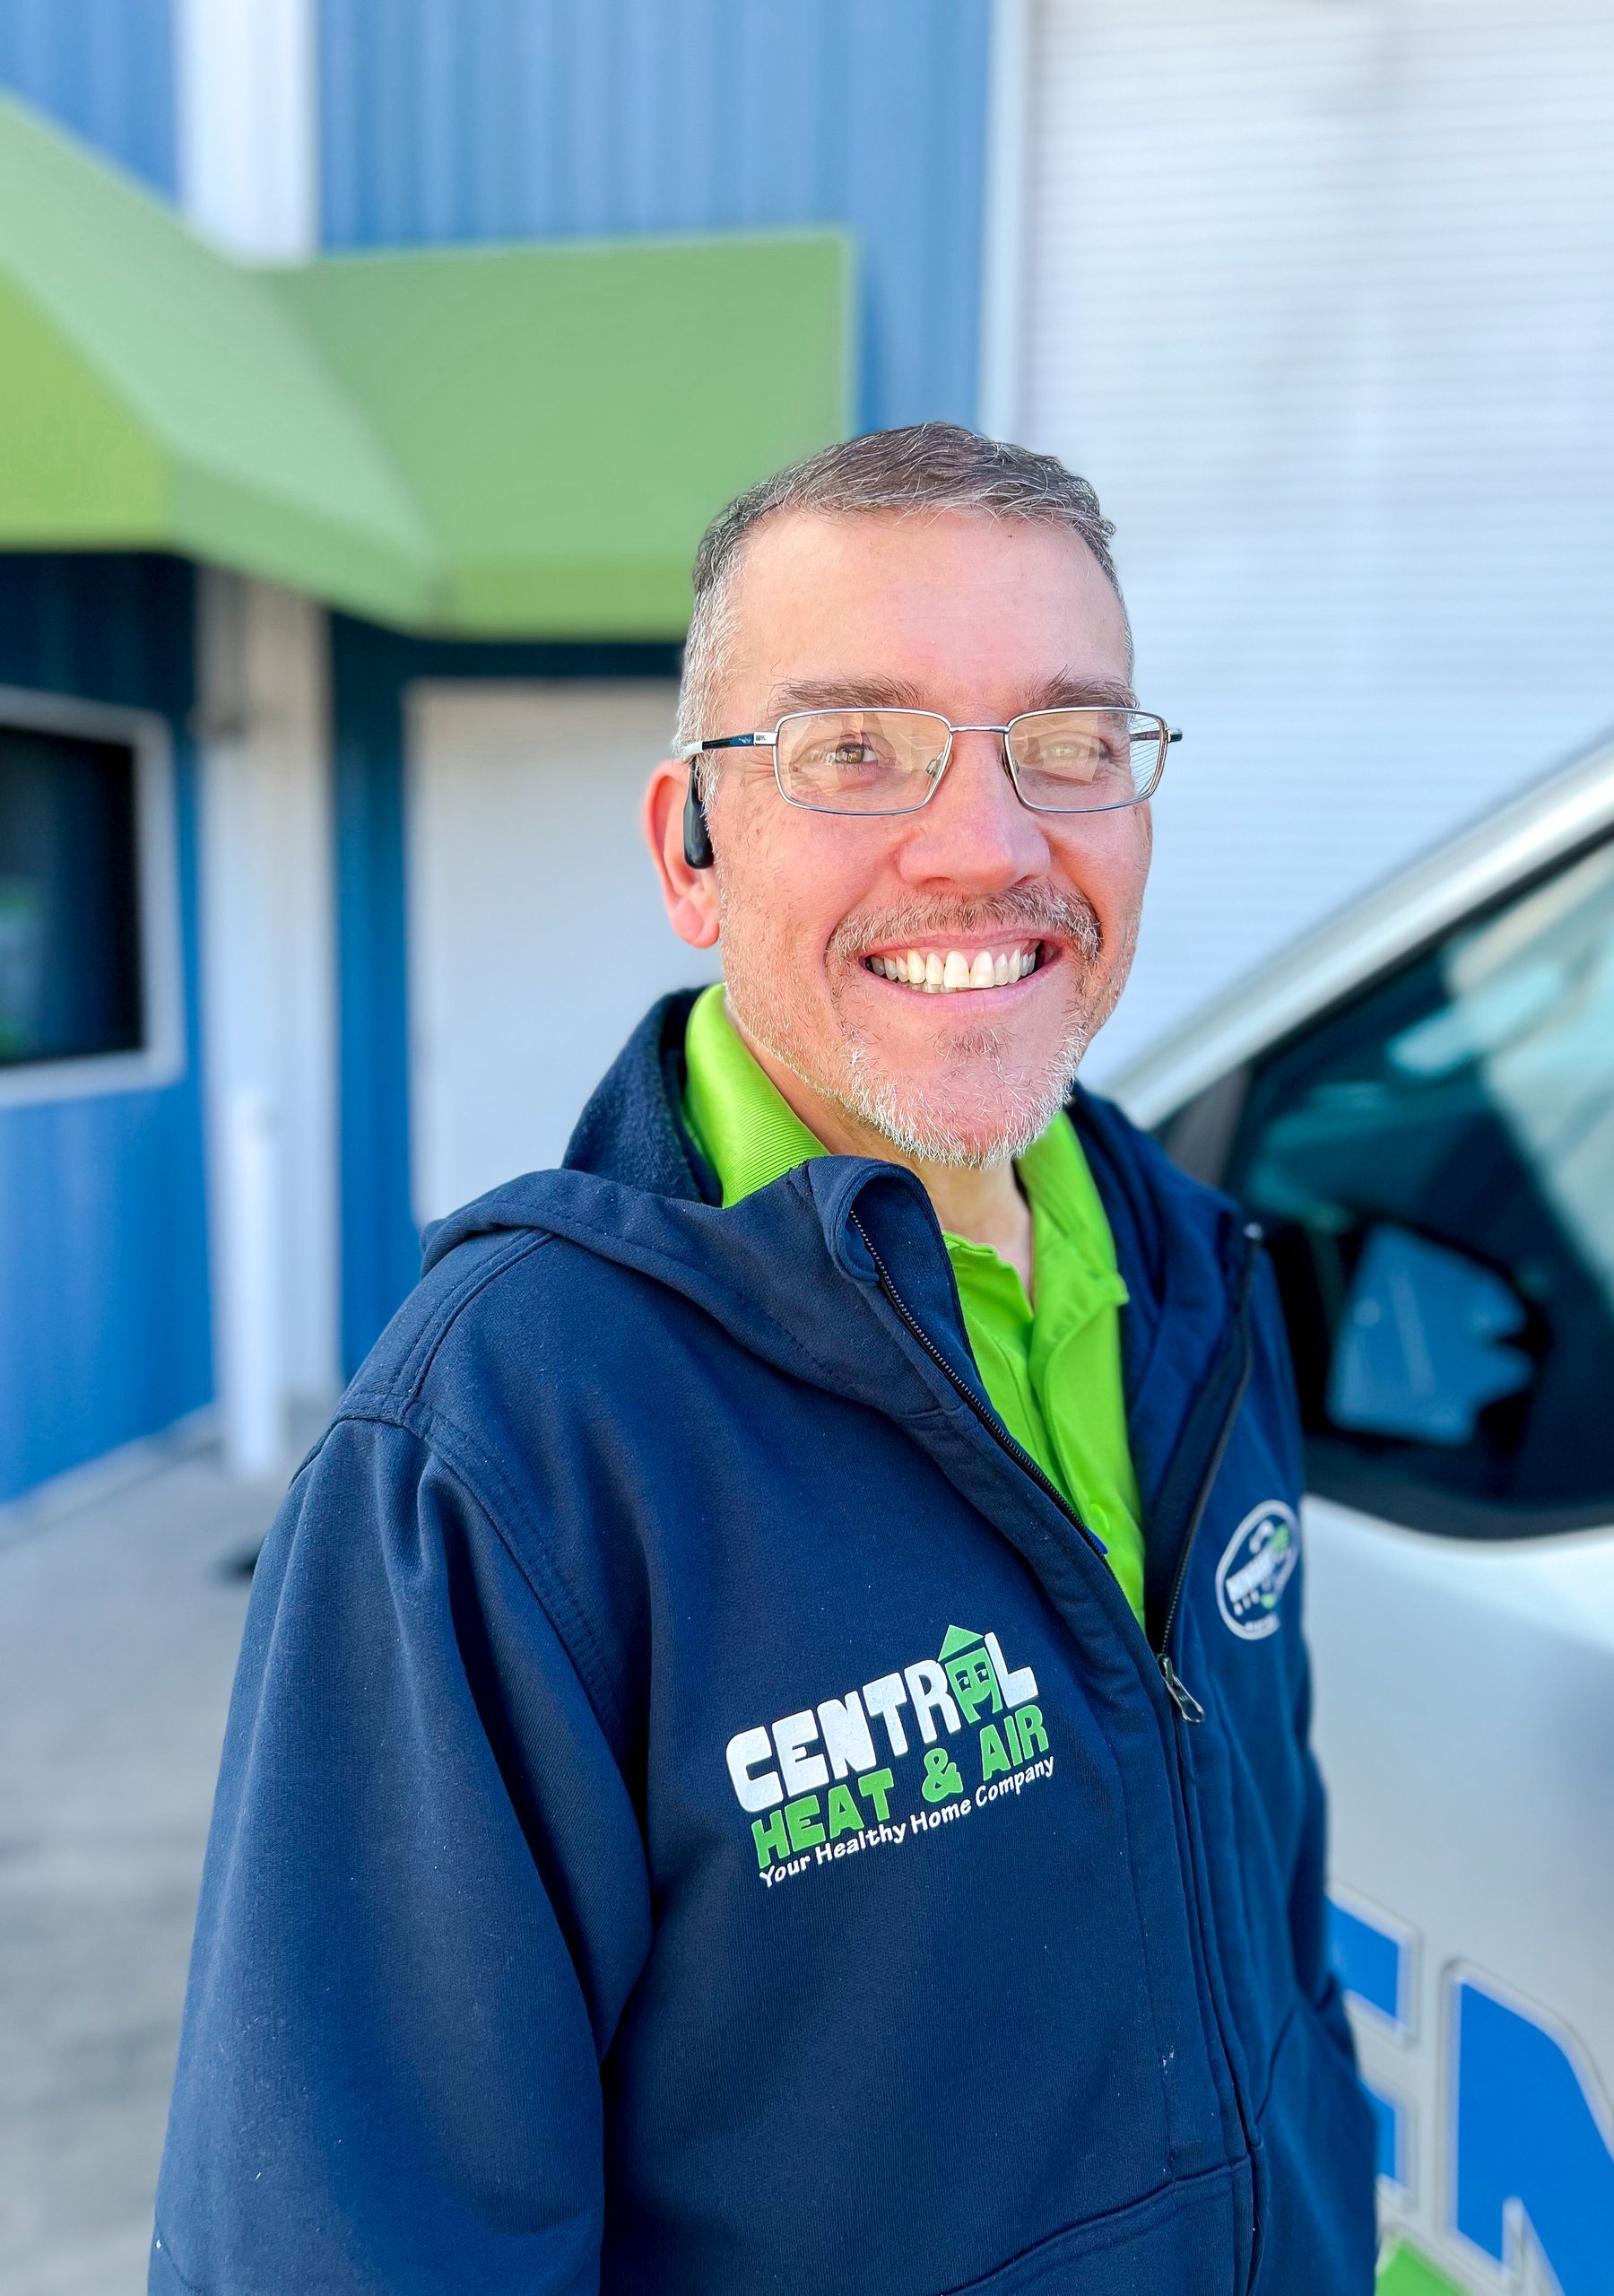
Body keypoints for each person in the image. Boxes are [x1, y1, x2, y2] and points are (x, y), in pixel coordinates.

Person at [152, 424, 1376, 2294]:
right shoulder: (497, 1448)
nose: (988, 843)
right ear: (691, 849)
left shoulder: (1190, 1274)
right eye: (854, 749)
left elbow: (1272, 1941)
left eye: (1070, 738)